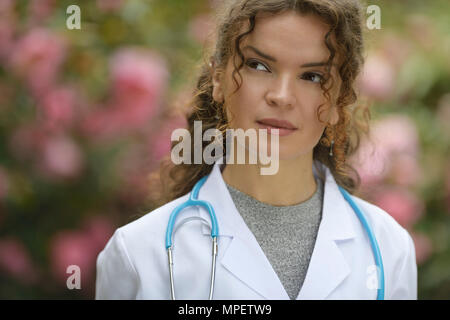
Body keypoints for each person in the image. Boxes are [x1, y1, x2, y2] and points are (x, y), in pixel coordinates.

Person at [95, 0, 417, 300]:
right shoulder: (139, 254)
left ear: (339, 101)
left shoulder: (388, 250)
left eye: (312, 76)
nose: (281, 96)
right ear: (218, 78)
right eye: (259, 66)